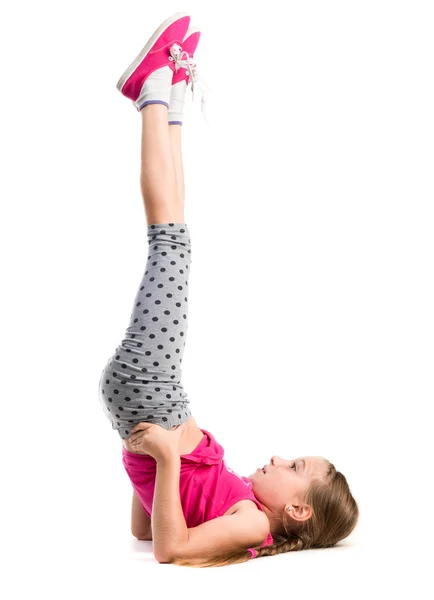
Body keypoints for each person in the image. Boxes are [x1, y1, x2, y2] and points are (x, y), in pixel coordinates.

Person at [98, 12, 359, 568]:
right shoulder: (237, 501)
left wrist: (167, 458)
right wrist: (147, 461)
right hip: (144, 402)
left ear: (299, 511)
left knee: (170, 242)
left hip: (151, 394)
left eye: (295, 468)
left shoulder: (253, 522)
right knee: (177, 235)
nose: (278, 457)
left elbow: (170, 551)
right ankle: (172, 101)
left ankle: (150, 91)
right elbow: (143, 530)